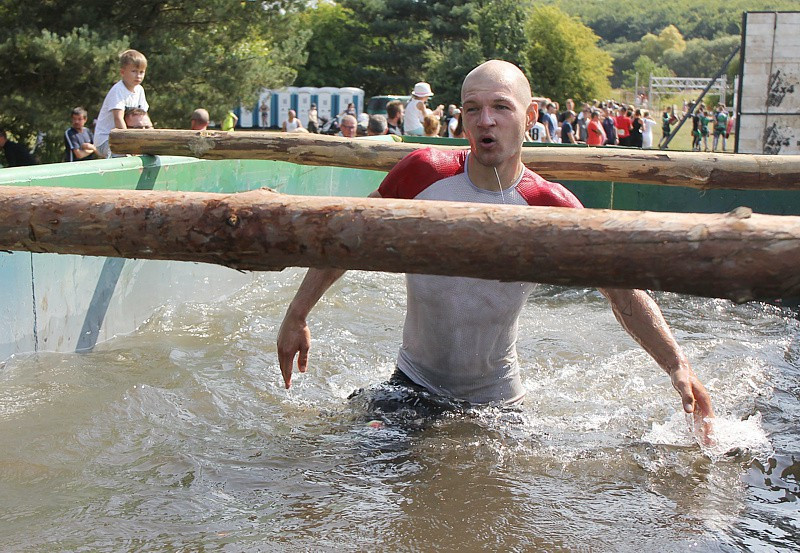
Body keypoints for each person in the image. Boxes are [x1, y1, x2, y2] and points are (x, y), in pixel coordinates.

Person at [276, 59, 715, 442]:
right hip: (412, 384)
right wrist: (297, 315)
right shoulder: (422, 173)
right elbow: (351, 238)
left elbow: (620, 289)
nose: (486, 120)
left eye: (501, 107)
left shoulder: (550, 205)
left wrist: (679, 365)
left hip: (497, 404)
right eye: (473, 109)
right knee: (359, 471)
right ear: (463, 119)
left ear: (530, 116)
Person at [94, 49, 149, 158]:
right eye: (134, 71)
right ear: (122, 72)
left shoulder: (139, 90)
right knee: (124, 157)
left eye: (141, 72)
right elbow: (118, 119)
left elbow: (145, 117)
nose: (138, 76)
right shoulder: (118, 90)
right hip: (107, 140)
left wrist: (152, 137)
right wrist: (129, 144)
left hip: (126, 139)